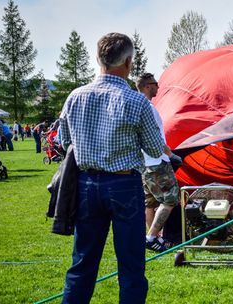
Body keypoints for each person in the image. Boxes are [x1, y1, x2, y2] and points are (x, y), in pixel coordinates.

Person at [59, 33, 166, 304]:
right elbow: (155, 150)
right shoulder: (136, 101)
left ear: (99, 59)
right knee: (131, 266)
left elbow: (64, 142)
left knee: (82, 264)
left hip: (84, 185)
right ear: (128, 62)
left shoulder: (75, 97)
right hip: (124, 185)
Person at [135, 73, 182, 252]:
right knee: (170, 198)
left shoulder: (136, 106)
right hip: (157, 161)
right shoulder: (149, 108)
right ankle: (153, 236)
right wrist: (171, 155)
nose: (158, 87)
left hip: (144, 163)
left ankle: (154, 239)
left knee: (150, 201)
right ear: (147, 86)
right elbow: (154, 137)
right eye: (156, 84)